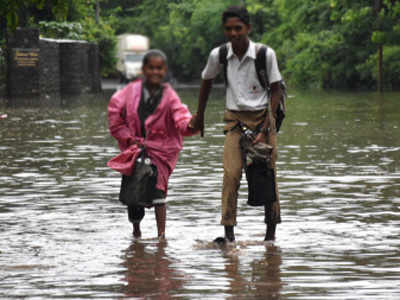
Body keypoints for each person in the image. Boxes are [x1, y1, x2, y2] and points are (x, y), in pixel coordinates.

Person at [192, 6, 283, 242]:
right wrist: (199, 115)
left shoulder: (265, 54)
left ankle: (270, 238)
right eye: (229, 29)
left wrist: (265, 129)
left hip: (263, 118)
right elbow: (206, 81)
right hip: (234, 121)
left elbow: (276, 91)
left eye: (238, 28)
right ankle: (229, 236)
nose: (233, 34)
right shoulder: (219, 55)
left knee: (267, 175)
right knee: (231, 175)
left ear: (248, 29)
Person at [107, 49, 198, 240]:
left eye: (159, 68)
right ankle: (136, 232)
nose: (155, 72)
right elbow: (115, 117)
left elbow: (180, 116)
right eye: (151, 68)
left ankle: (161, 236)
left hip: (160, 150)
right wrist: (128, 137)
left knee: (159, 193)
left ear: (164, 71)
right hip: (135, 149)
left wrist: (191, 124)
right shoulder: (129, 92)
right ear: (144, 70)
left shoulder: (169, 95)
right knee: (133, 197)